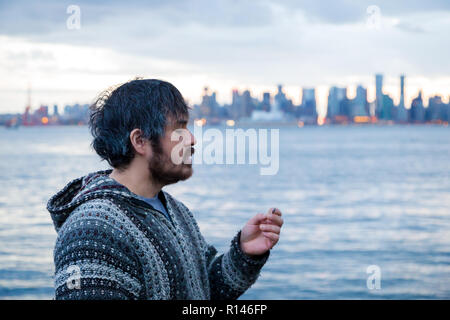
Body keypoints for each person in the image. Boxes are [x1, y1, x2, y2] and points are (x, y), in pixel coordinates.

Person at [47, 79, 283, 300]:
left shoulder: (177, 211)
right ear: (140, 141)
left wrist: (244, 253)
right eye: (179, 129)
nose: (192, 139)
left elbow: (204, 288)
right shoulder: (92, 231)